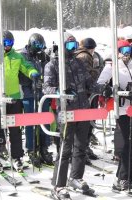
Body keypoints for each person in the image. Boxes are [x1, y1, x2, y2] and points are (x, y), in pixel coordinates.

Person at [43, 32, 110, 199]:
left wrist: (103, 89)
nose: (72, 49)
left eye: (74, 46)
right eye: (69, 45)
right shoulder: (53, 65)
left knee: (81, 146)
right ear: (61, 45)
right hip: (67, 111)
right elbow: (46, 87)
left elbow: (89, 83)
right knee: (65, 149)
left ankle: (76, 177)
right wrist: (60, 92)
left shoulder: (79, 63)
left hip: (83, 109)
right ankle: (58, 184)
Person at [97, 40, 132, 191]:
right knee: (126, 144)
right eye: (123, 50)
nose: (126, 53)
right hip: (123, 109)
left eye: (129, 50)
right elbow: (100, 84)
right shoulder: (111, 66)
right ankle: (122, 178)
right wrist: (111, 90)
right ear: (117, 51)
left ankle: (131, 175)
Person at [0, 30, 39, 172]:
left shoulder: (16, 56)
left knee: (15, 129)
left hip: (15, 97)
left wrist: (32, 72)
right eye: (4, 43)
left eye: (10, 43)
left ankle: (17, 157)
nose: (7, 46)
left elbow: (26, 67)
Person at [20, 33, 53, 167]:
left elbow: (49, 71)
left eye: (41, 46)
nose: (39, 48)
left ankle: (44, 147)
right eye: (37, 45)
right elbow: (21, 71)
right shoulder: (23, 55)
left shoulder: (43, 56)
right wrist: (30, 81)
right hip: (28, 92)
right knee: (31, 122)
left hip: (42, 92)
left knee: (45, 119)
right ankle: (31, 149)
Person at [75, 37, 100, 163]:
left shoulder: (80, 55)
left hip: (84, 94)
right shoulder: (85, 56)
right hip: (86, 93)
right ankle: (83, 150)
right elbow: (88, 75)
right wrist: (97, 71)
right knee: (86, 124)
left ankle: (84, 148)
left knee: (87, 123)